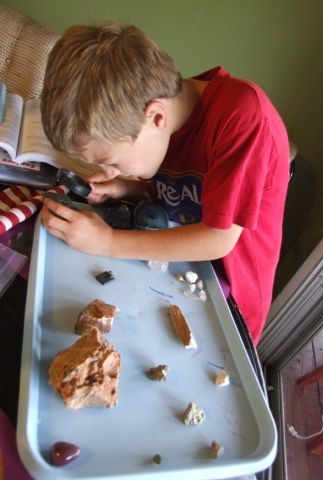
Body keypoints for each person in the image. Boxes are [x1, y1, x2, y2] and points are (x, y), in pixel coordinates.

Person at [40, 22, 290, 345]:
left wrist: (107, 242)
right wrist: (129, 188)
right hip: (170, 271)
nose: (109, 170)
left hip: (226, 304)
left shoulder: (242, 117)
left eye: (112, 161)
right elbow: (189, 195)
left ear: (156, 118)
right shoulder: (165, 123)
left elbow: (218, 237)